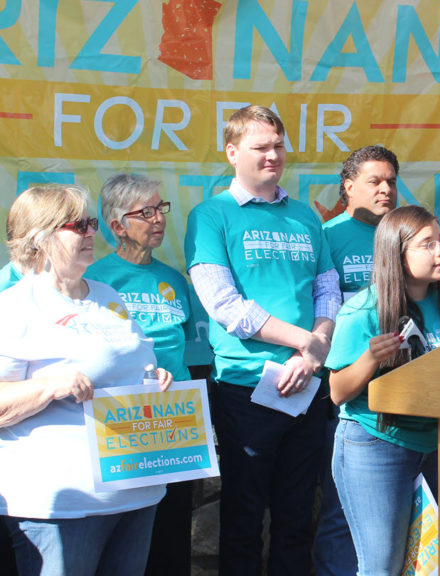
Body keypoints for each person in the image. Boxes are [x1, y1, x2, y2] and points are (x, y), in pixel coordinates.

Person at [184, 105, 341, 575]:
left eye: (278, 146)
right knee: (243, 518)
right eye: (260, 148)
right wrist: (308, 343)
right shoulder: (210, 216)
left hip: (309, 385)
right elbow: (224, 304)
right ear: (232, 153)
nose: (272, 156)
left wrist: (316, 348)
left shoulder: (304, 216)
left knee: (297, 517)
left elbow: (327, 287)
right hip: (245, 387)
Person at [0, 184, 173, 576]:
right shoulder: (14, 307)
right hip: (64, 506)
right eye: (78, 226)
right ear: (39, 238)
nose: (92, 233)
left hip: (135, 492)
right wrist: (48, 386)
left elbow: (127, 364)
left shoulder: (108, 295)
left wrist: (151, 378)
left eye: (92, 223)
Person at [326, 205, 440, 575]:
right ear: (397, 252)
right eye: (427, 244)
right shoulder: (362, 309)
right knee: (382, 566)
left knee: (438, 562)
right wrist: (370, 359)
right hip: (376, 444)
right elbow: (336, 392)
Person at [84, 173, 196, 576]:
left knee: (173, 530)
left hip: (177, 422)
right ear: (116, 226)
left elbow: (188, 347)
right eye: (146, 212)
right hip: (122, 425)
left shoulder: (174, 280)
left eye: (160, 208)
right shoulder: (94, 280)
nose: (158, 219)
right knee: (123, 540)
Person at [317, 144, 401, 575]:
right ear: (349, 187)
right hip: (345, 388)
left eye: (391, 181)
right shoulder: (327, 237)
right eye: (375, 181)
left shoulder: (401, 236)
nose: (386, 189)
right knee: (339, 506)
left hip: (403, 390)